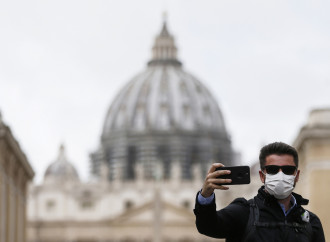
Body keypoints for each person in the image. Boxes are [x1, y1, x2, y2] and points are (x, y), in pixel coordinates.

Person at [194, 142, 325, 242]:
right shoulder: (244, 212)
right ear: (262, 176)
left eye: (288, 170)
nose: (281, 175)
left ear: (296, 175)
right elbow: (207, 226)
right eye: (273, 170)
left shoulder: (311, 222)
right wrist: (206, 196)